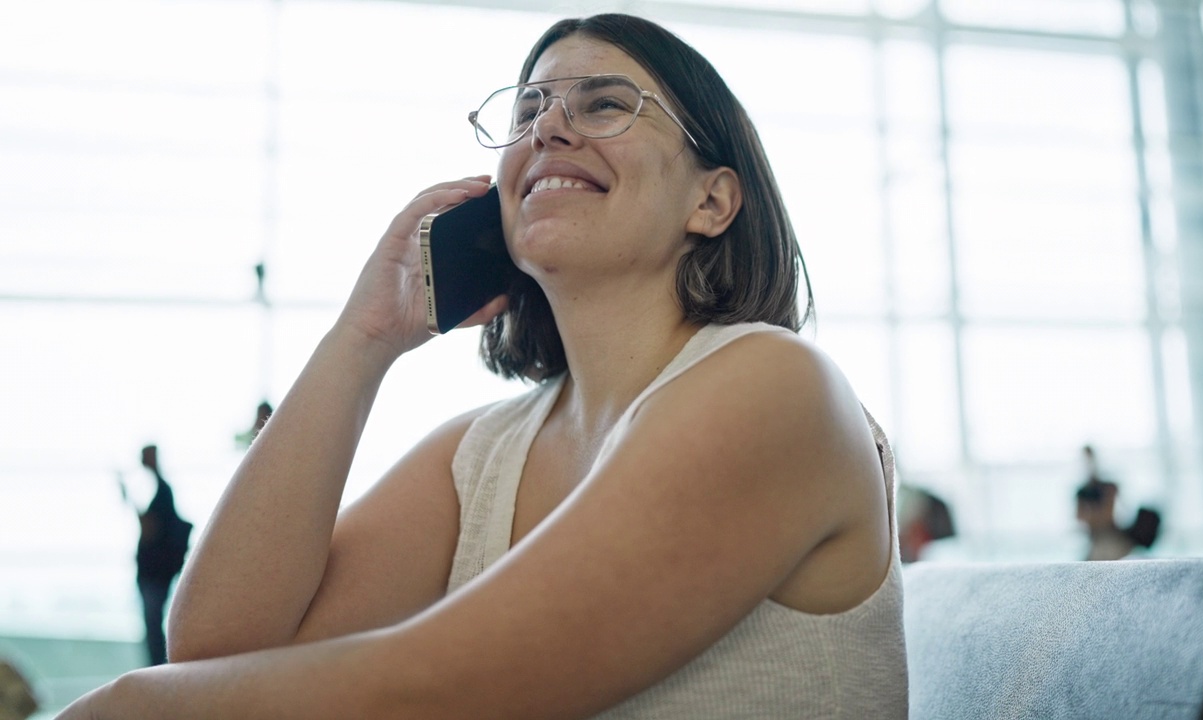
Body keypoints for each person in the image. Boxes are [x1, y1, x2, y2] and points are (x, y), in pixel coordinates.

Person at [57, 13, 905, 718]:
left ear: (712, 200)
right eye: (528, 109)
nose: (548, 127)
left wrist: (136, 705)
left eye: (605, 103)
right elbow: (217, 652)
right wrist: (363, 340)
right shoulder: (484, 455)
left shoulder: (778, 388)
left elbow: (447, 688)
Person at [122, 445, 194, 665]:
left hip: (155, 574)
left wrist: (129, 499)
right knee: (154, 627)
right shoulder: (162, 491)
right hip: (157, 574)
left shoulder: (163, 492)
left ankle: (158, 670)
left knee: (153, 628)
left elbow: (150, 529)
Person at [1075, 445, 1160, 561]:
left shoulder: (1107, 487)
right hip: (1098, 542)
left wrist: (1093, 515)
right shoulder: (1083, 492)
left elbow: (1107, 517)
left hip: (1112, 540)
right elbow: (1081, 518)